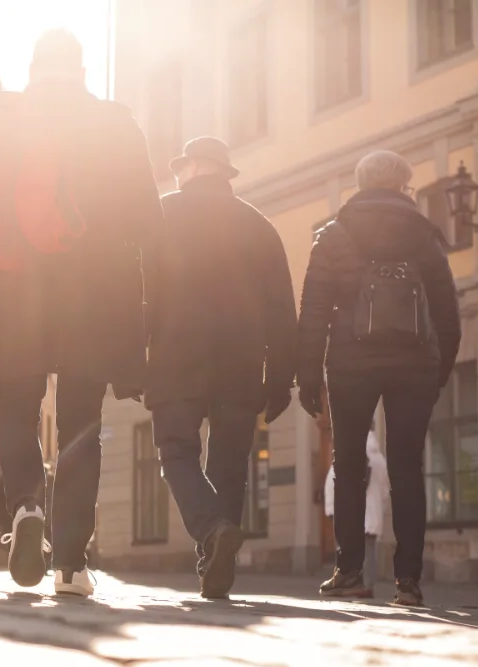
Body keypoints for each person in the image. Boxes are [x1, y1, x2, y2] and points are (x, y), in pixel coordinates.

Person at [0, 30, 162, 597]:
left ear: (33, 67)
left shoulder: (1, 115)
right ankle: (71, 562)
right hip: (93, 296)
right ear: (81, 69)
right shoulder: (115, 122)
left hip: (13, 290)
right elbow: (147, 218)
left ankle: (24, 506)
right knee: (80, 421)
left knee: (15, 405)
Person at [297, 150, 461, 607]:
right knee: (408, 467)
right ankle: (408, 581)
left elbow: (313, 309)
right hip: (415, 365)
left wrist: (307, 374)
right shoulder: (424, 235)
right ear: (404, 186)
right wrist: (439, 369)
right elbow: (448, 311)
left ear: (360, 183)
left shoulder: (333, 234)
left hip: (351, 362)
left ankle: (349, 573)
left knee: (349, 464)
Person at [146, 137, 297, 600]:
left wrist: (131, 359)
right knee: (230, 464)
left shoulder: (161, 215)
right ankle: (218, 568)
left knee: (176, 452)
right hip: (242, 362)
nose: (176, 173)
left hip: (177, 356)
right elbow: (280, 309)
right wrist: (281, 379)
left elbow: (140, 293)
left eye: (180, 165)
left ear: (194, 167)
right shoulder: (259, 225)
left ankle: (211, 531)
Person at [323, 431, 390, 596]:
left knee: (346, 548)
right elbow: (385, 489)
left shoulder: (348, 455)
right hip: (373, 514)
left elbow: (332, 484)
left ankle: (348, 580)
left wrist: (331, 510)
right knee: (370, 551)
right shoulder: (380, 460)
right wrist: (381, 508)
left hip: (350, 516)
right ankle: (368, 586)